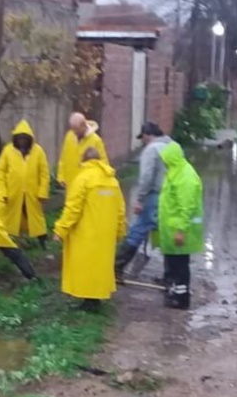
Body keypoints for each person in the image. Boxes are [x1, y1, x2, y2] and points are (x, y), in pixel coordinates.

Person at [53, 147, 126, 311]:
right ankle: (95, 300)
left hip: (86, 233)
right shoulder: (112, 181)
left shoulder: (83, 178)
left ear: (84, 160)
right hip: (106, 234)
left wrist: (60, 229)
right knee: (100, 267)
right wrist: (120, 231)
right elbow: (120, 210)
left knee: (86, 266)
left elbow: (73, 208)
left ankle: (89, 301)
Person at [115, 121, 171, 282]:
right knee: (167, 235)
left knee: (137, 231)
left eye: (143, 138)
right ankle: (170, 276)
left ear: (147, 135)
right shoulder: (173, 146)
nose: (143, 142)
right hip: (170, 196)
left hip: (154, 195)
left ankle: (117, 268)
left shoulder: (151, 150)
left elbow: (146, 177)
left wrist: (140, 199)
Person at [155, 140, 204, 309]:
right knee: (174, 264)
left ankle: (182, 298)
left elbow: (186, 207)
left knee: (180, 265)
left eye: (165, 158)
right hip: (173, 229)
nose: (163, 161)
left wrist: (181, 230)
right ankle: (176, 292)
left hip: (179, 230)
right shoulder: (176, 172)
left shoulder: (185, 176)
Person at [0, 120, 51, 249]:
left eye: (25, 138)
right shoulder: (8, 150)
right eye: (19, 138)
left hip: (32, 192)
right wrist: (2, 191)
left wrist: (43, 191)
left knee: (36, 217)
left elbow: (44, 173)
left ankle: (43, 242)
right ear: (15, 138)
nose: (22, 141)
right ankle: (8, 242)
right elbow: (0, 170)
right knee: (10, 217)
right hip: (13, 192)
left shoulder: (38, 151)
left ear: (29, 139)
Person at [57, 112, 109, 188]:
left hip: (88, 185)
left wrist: (101, 182)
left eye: (76, 130)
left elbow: (104, 162)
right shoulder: (69, 136)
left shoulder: (96, 140)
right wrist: (61, 177)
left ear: (83, 125)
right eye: (73, 129)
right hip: (70, 184)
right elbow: (63, 157)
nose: (74, 132)